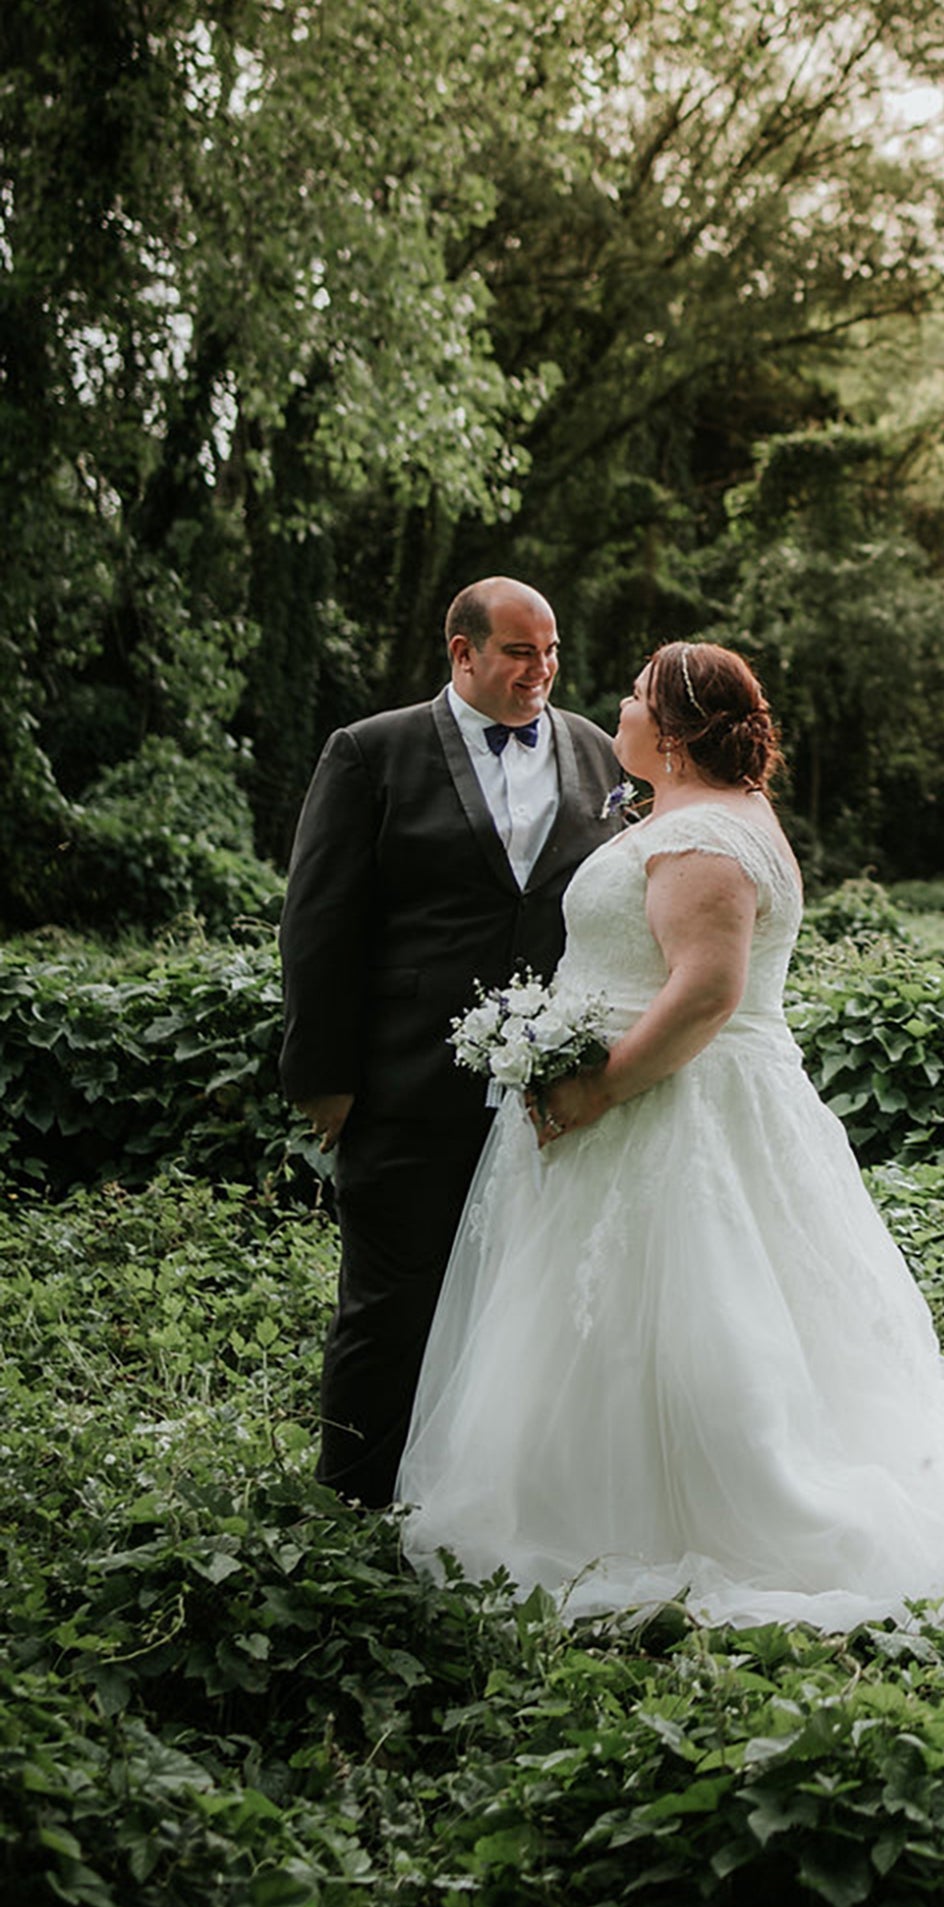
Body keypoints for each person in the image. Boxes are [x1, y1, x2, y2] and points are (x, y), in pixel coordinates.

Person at [395, 641, 944, 1630]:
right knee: (640, 1317)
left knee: (691, 1315)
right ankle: (581, 1481)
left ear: (675, 729)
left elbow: (705, 994)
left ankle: (690, 1512)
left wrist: (600, 1088)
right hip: (678, 1101)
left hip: (674, 1109)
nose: (615, 706)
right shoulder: (700, 813)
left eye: (636, 696)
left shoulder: (700, 834)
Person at [278, 577, 624, 1509]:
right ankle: (352, 1502)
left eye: (551, 651)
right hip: (404, 1079)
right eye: (519, 651)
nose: (540, 671)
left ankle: (493, 1499)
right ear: (462, 652)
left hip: (556, 1087)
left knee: (528, 1303)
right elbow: (319, 923)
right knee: (391, 1302)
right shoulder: (370, 753)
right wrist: (324, 1076)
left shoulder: (598, 754)